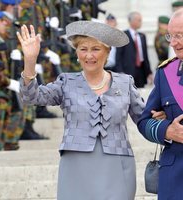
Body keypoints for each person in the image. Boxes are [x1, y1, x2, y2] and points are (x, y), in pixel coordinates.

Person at [17, 20, 165, 200]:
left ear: (107, 52)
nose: (89, 55)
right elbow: (31, 97)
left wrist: (163, 120)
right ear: (77, 53)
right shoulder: (66, 83)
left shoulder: (125, 83)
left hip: (117, 165)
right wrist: (30, 61)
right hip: (76, 166)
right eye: (83, 49)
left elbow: (145, 119)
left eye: (95, 49)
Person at [137, 8, 183, 200]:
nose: (173, 43)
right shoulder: (166, 73)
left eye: (179, 36)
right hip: (175, 179)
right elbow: (144, 121)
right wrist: (166, 131)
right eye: (170, 36)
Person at [114, 11, 153, 88]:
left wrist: (149, 72)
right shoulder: (123, 35)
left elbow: (145, 56)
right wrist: (120, 73)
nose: (141, 22)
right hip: (127, 71)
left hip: (141, 71)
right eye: (139, 20)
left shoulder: (142, 36)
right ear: (132, 21)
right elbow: (118, 57)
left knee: (140, 94)